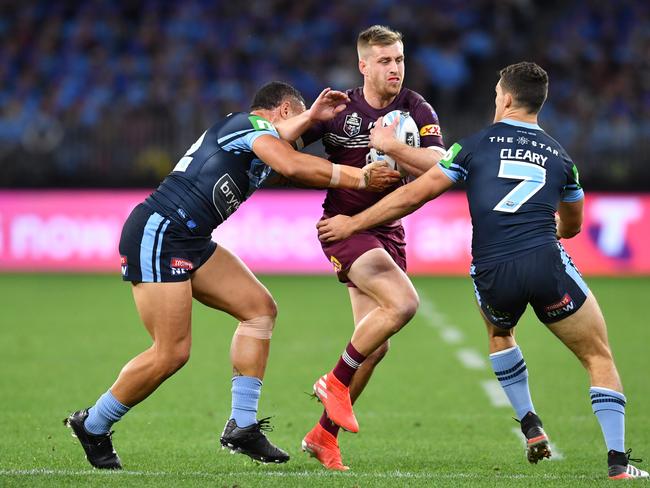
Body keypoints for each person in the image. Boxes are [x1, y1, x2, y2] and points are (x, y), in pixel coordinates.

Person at [317, 61, 648, 480]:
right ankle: (618, 464)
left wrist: (352, 223)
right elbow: (573, 225)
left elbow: (412, 196)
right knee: (598, 357)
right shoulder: (562, 159)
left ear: (506, 98)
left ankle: (529, 423)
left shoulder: (473, 146)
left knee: (499, 333)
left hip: (492, 271)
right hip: (545, 263)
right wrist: (550, 227)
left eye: (496, 94)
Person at [63, 81, 401, 470]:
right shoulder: (243, 124)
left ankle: (242, 426)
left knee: (259, 309)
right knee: (171, 352)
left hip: (190, 238)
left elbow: (286, 154)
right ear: (284, 110)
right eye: (298, 118)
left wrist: (312, 117)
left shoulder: (257, 146)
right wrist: (360, 178)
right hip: (161, 232)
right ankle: (93, 423)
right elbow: (291, 163)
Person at [296, 25, 446, 471]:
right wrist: (307, 120)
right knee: (402, 303)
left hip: (388, 230)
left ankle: (324, 435)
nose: (395, 68)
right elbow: (283, 152)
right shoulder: (339, 110)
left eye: (399, 59)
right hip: (344, 228)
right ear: (363, 66)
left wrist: (391, 146)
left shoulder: (416, 108)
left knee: (375, 345)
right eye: (385, 61)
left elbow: (441, 166)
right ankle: (334, 381)